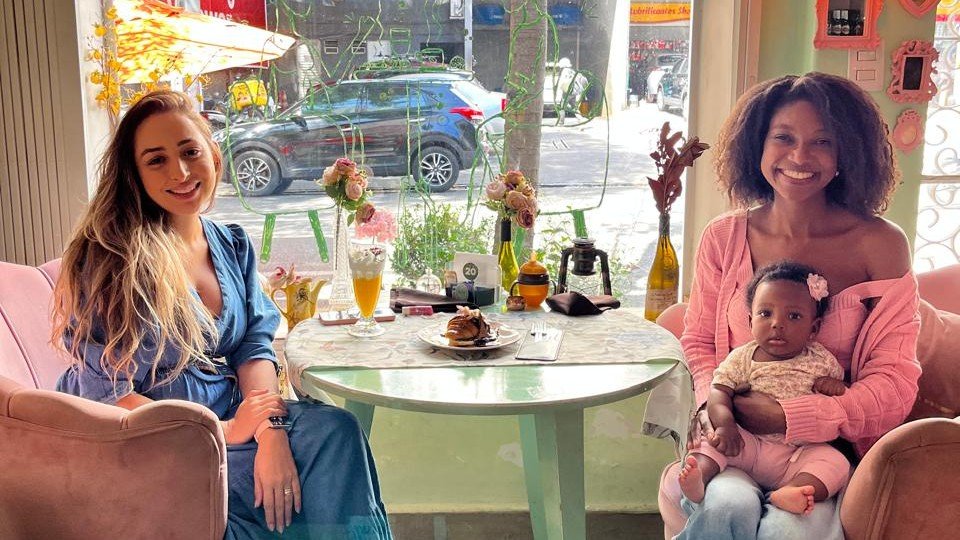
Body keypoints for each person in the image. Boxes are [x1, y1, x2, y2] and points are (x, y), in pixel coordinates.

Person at [53, 90, 392, 540]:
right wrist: (224, 431)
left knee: (337, 432)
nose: (180, 172)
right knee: (300, 490)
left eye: (190, 152)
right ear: (134, 174)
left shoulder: (230, 244)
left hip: (239, 416)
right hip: (157, 442)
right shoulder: (108, 259)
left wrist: (270, 430)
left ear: (213, 155)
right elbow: (107, 394)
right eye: (156, 160)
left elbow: (253, 345)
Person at [659, 72, 922, 539]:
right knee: (723, 507)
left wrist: (792, 416)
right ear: (757, 145)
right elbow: (698, 342)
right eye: (784, 137)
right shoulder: (724, 237)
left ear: (848, 152)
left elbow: (895, 383)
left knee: (788, 532)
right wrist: (715, 408)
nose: (800, 157)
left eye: (822, 141)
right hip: (735, 444)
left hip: (822, 457)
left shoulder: (881, 244)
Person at [678, 261, 850, 517]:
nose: (777, 324)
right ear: (750, 321)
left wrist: (836, 385)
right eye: (765, 313)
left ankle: (791, 491)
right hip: (746, 443)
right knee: (709, 441)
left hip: (797, 454)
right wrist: (725, 426)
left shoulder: (821, 359)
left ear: (813, 328)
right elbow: (719, 391)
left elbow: (843, 392)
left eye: (794, 316)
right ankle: (699, 478)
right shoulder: (743, 358)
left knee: (837, 463)